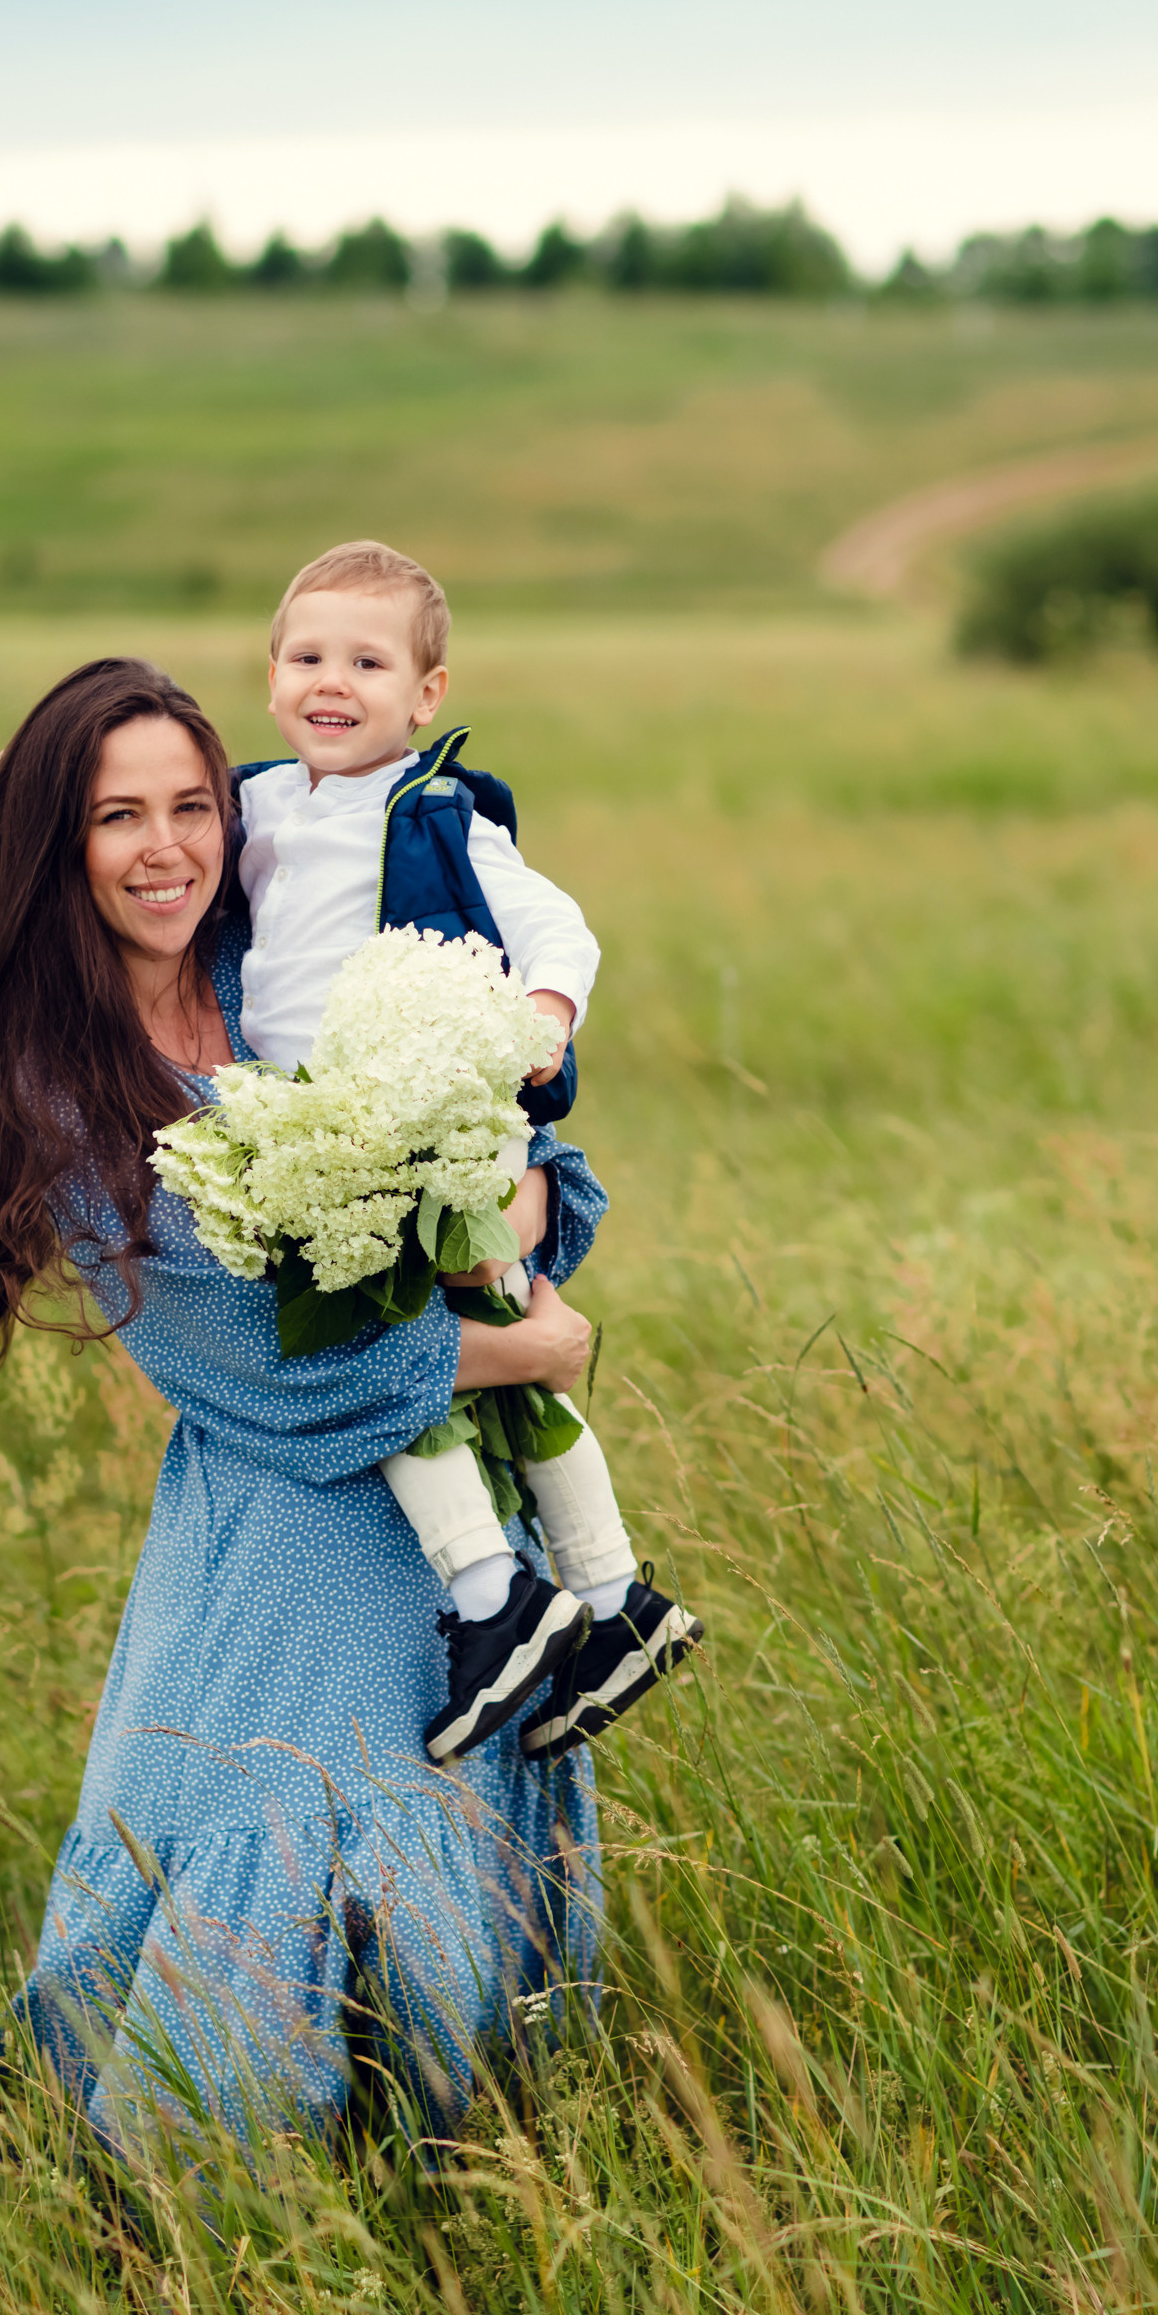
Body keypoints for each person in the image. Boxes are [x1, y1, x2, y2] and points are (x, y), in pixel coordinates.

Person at [0, 656, 607, 2157]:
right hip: (286, 1550)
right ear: (55, 851)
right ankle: (215, 2226)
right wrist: (529, 1352)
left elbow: (522, 1165)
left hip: (456, 1539)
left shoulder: (289, 970)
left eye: (193, 805)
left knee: (466, 1861)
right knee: (271, 1879)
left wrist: (508, 1200)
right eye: (116, 816)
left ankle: (466, 2196)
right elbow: (274, 1362)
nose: (166, 849)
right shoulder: (61, 1095)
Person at [239, 538, 701, 1768]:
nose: (330, 681)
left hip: (431, 1121)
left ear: (426, 694)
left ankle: (497, 1595)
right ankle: (610, 1603)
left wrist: (544, 1011)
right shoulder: (262, 798)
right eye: (306, 655)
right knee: (486, 1363)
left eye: (367, 661)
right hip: (332, 1131)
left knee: (394, 1356)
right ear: (270, 672)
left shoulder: (431, 808)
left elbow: (559, 923)